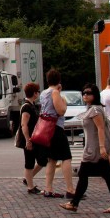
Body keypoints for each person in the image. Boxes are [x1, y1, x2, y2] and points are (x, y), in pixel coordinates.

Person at [59, 84, 110, 214]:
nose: (85, 95)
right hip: (94, 148)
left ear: (95, 95)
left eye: (88, 93)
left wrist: (101, 147)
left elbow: (100, 128)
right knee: (107, 175)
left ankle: (74, 203)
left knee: (84, 175)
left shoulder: (95, 110)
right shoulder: (93, 109)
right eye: (84, 93)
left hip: (94, 150)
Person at [39, 69, 74, 198]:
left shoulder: (43, 93)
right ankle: (70, 189)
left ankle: (48, 188)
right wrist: (63, 100)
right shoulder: (55, 93)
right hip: (56, 128)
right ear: (59, 80)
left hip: (47, 128)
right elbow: (61, 111)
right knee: (66, 157)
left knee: (52, 159)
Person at [18, 82, 44, 194]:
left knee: (42, 160)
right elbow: (24, 125)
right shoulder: (27, 107)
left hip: (35, 138)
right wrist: (28, 140)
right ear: (34, 93)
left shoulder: (32, 105)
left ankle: (28, 179)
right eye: (38, 91)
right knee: (29, 162)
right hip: (29, 139)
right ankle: (30, 187)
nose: (38, 93)